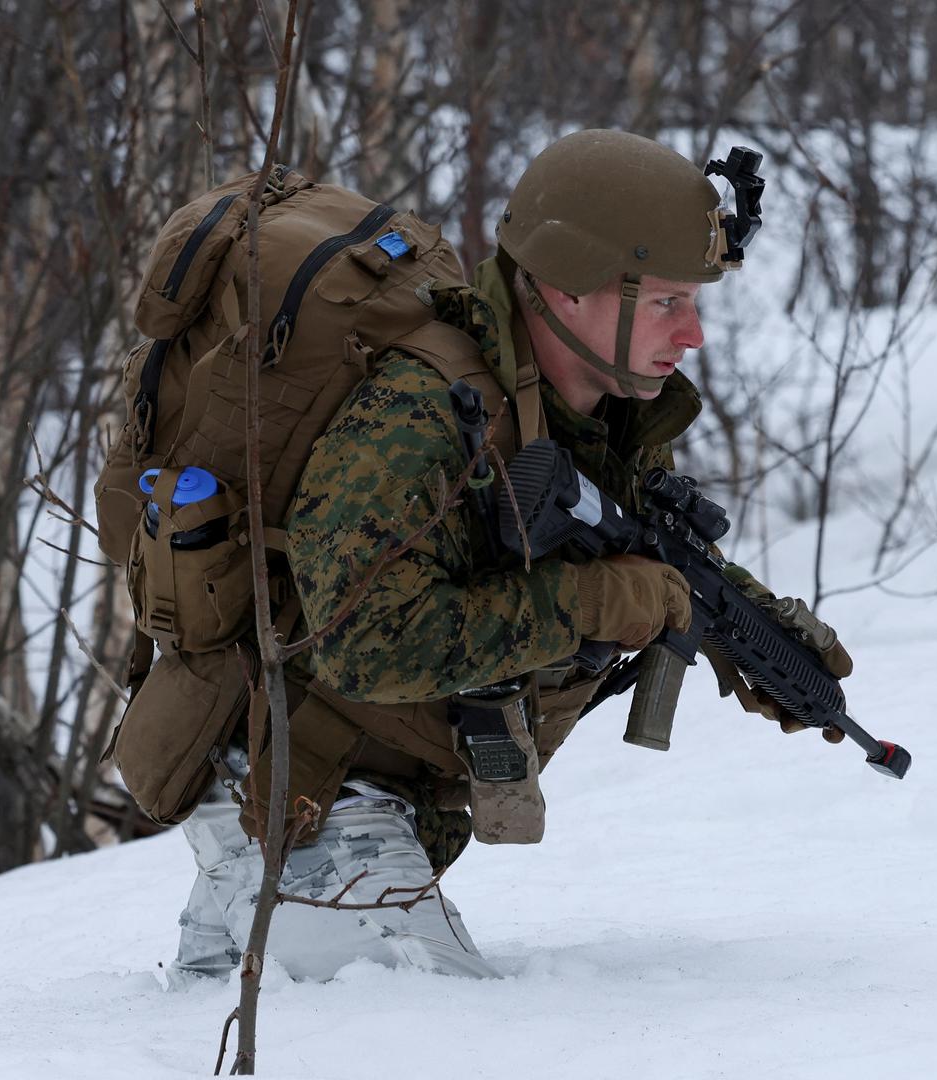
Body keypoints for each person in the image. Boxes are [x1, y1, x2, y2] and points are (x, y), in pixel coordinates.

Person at [167, 129, 846, 985]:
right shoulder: (420, 415)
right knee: (434, 1031)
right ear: (568, 286)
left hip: (377, 795)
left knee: (274, 1019)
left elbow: (647, 549)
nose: (695, 334)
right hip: (307, 782)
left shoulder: (598, 407)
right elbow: (361, 641)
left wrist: (751, 629)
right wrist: (595, 603)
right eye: (669, 302)